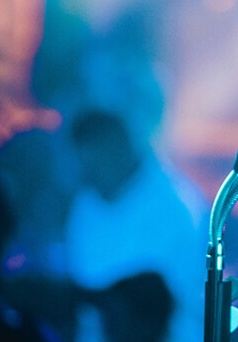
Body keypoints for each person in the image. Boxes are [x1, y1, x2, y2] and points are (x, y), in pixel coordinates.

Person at [64, 109, 206, 342]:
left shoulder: (176, 207)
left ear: (118, 149)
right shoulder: (86, 203)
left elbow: (174, 302)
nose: (84, 173)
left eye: (92, 162)